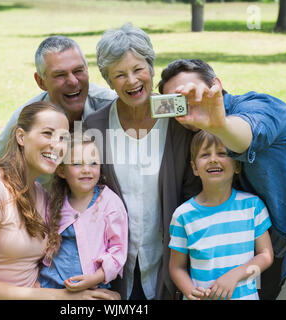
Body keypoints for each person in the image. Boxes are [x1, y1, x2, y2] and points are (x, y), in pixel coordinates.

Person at [159, 58, 286, 300]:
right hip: (285, 245)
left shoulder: (259, 107)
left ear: (216, 85)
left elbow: (246, 135)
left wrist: (219, 125)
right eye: (179, 102)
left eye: (193, 93)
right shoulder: (196, 137)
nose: (189, 105)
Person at [0, 101, 118, 300]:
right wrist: (64, 297)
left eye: (63, 138)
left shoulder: (41, 195)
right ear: (21, 137)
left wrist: (92, 288)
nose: (57, 145)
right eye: (48, 133)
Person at [84, 24, 201, 300]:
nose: (132, 81)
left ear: (151, 68)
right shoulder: (95, 125)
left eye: (138, 69)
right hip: (114, 266)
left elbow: (194, 187)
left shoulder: (176, 115)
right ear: (109, 81)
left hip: (175, 262)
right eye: (120, 75)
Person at [169, 130, 274, 300]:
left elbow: (266, 255)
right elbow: (176, 268)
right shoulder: (183, 215)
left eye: (222, 153)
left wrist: (235, 275)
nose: (213, 159)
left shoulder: (252, 206)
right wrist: (190, 292)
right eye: (205, 154)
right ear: (195, 168)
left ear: (237, 166)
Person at [0, 35, 117, 169]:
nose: (73, 81)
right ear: (41, 82)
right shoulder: (26, 119)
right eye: (60, 75)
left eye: (78, 71)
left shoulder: (111, 106)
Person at [38, 132, 128, 291]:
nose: (87, 169)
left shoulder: (110, 204)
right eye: (77, 164)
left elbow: (118, 253)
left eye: (93, 163)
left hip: (92, 288)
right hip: (51, 287)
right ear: (61, 171)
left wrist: (93, 279)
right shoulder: (55, 203)